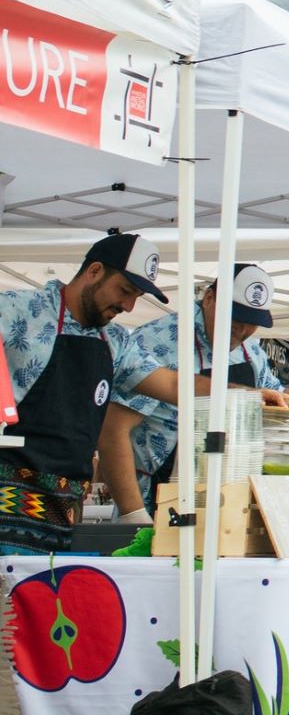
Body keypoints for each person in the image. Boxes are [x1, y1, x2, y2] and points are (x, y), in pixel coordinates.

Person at [101, 264, 289, 517]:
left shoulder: (249, 349)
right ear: (210, 298)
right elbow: (113, 430)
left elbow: (280, 403)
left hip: (232, 497)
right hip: (158, 497)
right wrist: (133, 514)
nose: (240, 332)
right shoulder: (159, 341)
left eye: (250, 324)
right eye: (234, 320)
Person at [0, 235, 228, 553]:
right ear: (94, 271)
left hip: (67, 515)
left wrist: (248, 395)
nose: (128, 306)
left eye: (135, 297)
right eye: (125, 291)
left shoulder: (116, 342)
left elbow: (175, 385)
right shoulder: (17, 313)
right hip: (7, 507)